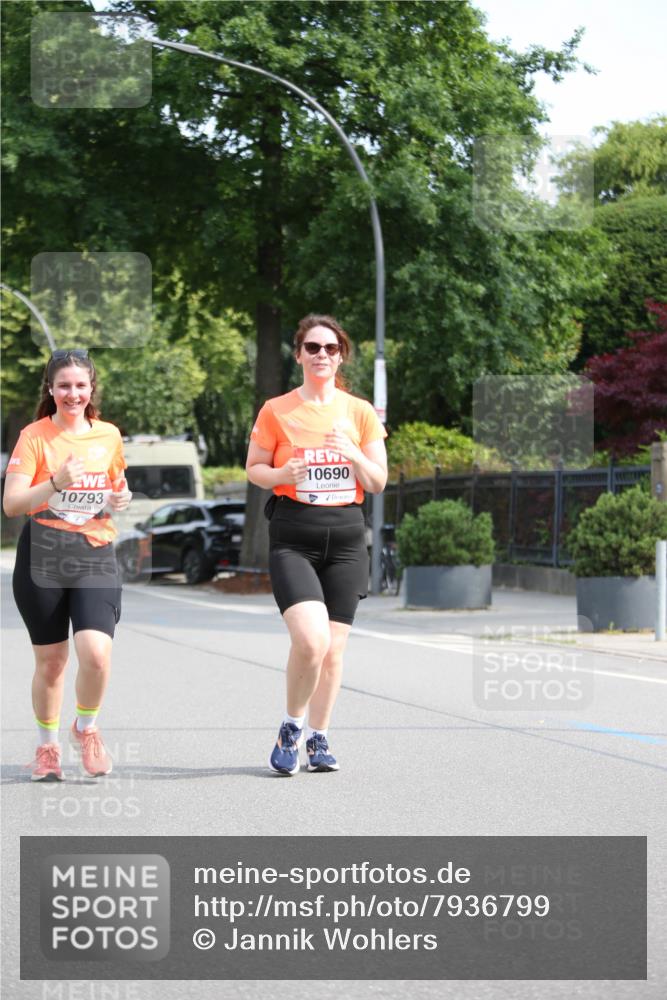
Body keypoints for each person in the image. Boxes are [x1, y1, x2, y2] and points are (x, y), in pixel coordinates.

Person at [246, 314, 388, 775]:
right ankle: (292, 726)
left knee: (334, 651)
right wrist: (281, 475)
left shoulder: (359, 412)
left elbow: (379, 481)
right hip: (294, 534)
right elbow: (254, 468)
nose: (321, 355)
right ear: (299, 354)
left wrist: (352, 453)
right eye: (312, 347)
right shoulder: (277, 410)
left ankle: (319, 739)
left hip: (347, 537)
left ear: (341, 354)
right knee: (311, 641)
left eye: (330, 348)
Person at [3, 349, 132, 781]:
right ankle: (47, 748)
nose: (72, 393)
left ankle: (86, 727)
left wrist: (120, 499)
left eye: (80, 385)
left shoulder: (109, 435)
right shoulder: (34, 436)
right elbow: (12, 504)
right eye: (64, 386)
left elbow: (116, 486)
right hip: (43, 553)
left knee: (95, 654)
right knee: (53, 662)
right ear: (51, 389)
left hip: (94, 552)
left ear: (91, 388)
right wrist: (56, 481)